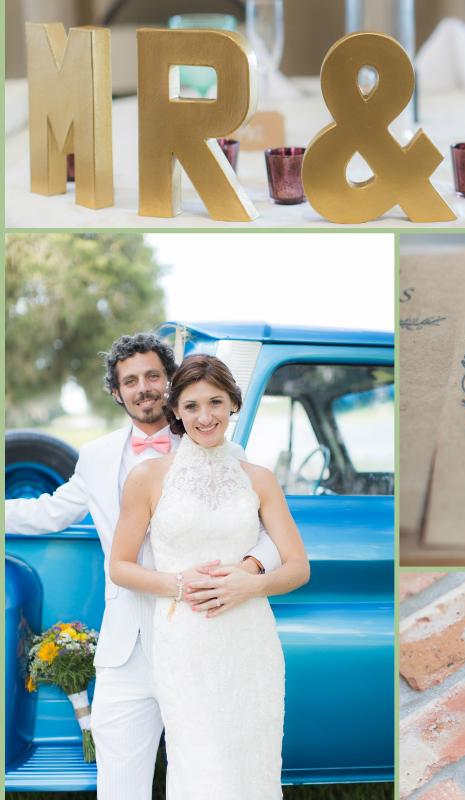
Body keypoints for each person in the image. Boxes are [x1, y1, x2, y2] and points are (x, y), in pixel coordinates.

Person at [5, 334, 283, 799]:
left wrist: (250, 568)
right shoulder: (95, 457)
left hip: (206, 632)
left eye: (153, 375)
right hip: (126, 643)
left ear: (170, 381)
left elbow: (268, 535)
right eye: (130, 381)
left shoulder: (215, 441)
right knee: (119, 781)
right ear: (117, 392)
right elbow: (49, 511)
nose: (143, 388)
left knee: (207, 772)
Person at [109, 353, 309, 798]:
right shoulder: (148, 478)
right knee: (202, 768)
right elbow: (120, 565)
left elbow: (298, 566)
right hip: (187, 644)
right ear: (175, 410)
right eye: (193, 405)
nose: (206, 416)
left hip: (251, 642)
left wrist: (252, 584)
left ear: (233, 404)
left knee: (252, 770)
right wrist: (178, 585)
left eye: (216, 403)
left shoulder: (258, 479)